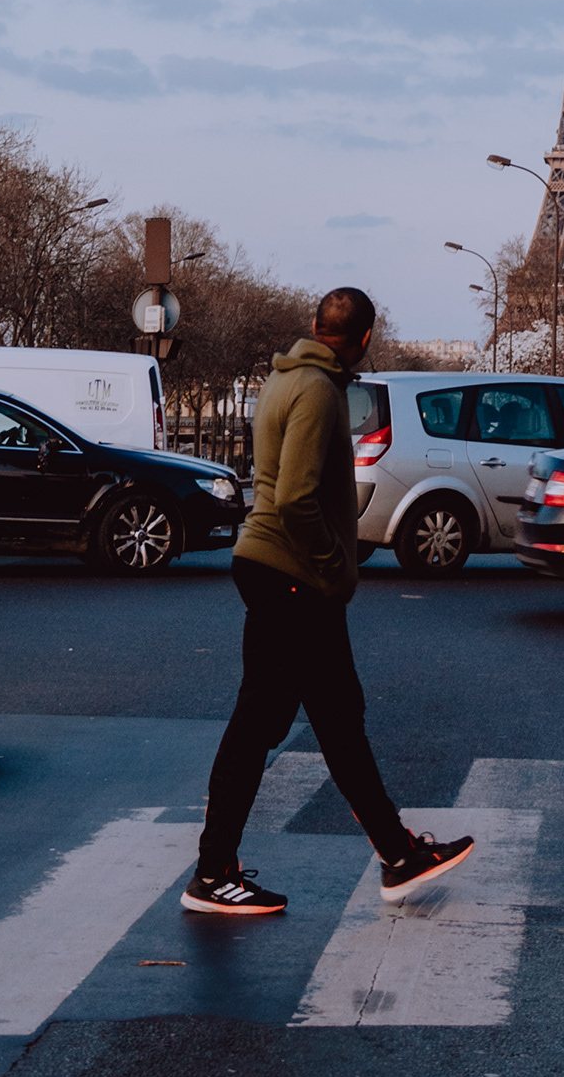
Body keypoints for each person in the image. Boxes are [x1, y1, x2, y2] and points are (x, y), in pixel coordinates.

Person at [182, 287, 474, 918]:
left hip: (277, 570)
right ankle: (211, 872)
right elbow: (294, 499)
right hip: (291, 575)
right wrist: (332, 565)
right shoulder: (317, 391)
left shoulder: (285, 380)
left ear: (316, 325)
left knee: (338, 720)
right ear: (365, 338)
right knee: (260, 724)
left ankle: (398, 854)